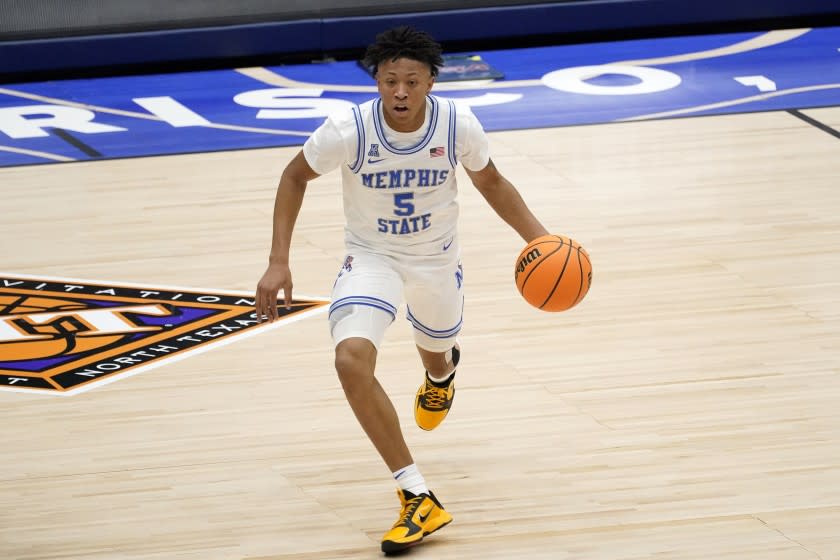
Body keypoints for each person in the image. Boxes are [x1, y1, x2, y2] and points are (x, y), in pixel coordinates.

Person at [255, 26, 549, 554]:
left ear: (432, 81)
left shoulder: (457, 122)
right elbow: (293, 176)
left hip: (435, 260)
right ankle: (417, 495)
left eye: (411, 81)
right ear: (376, 82)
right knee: (350, 360)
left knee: (435, 356)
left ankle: (442, 372)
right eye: (390, 80)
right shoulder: (348, 128)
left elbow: (492, 183)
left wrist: (541, 239)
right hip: (371, 259)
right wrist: (278, 261)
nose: (400, 92)